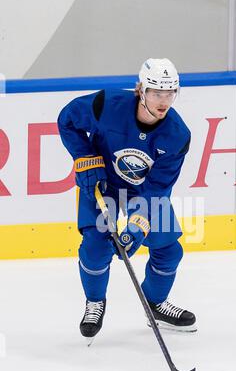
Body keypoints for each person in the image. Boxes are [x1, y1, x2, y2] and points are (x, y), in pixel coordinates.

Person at [57, 58, 197, 341]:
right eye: (157, 92)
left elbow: (158, 186)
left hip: (143, 190)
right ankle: (95, 302)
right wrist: (85, 156)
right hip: (102, 182)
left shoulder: (177, 135)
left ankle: (155, 304)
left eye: (170, 93)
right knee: (96, 247)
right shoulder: (106, 104)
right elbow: (67, 119)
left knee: (169, 251)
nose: (163, 101)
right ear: (140, 90)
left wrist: (137, 226)